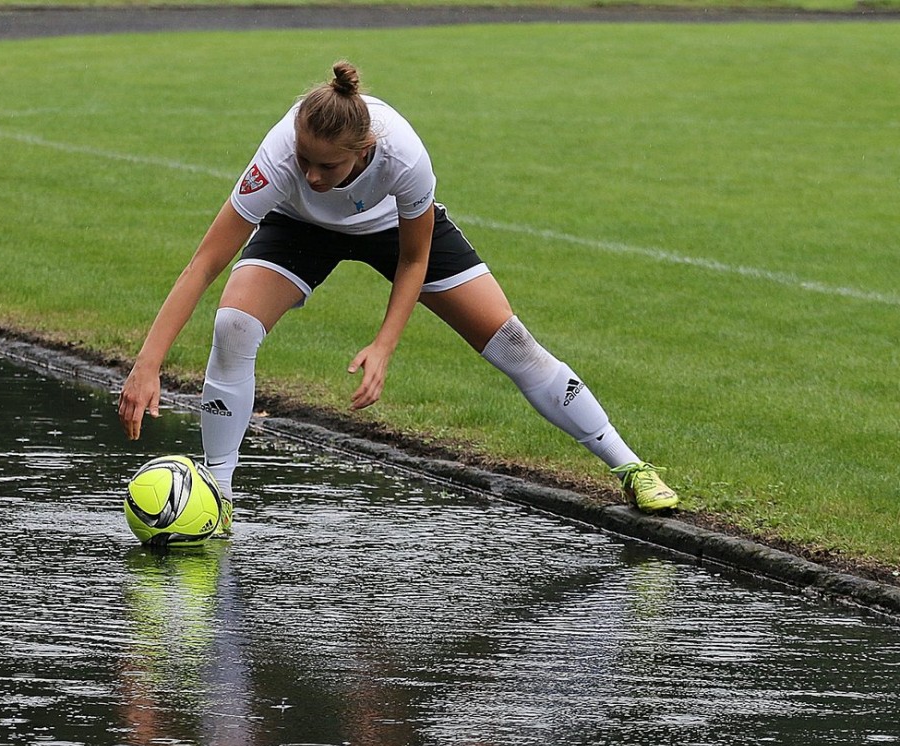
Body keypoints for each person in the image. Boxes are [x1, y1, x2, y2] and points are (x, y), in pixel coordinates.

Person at [118, 61, 678, 532]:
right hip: (300, 227)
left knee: (512, 342)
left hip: (393, 230)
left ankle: (630, 467)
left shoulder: (403, 156)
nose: (311, 174)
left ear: (363, 150)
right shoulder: (280, 157)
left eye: (327, 165)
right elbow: (205, 262)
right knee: (233, 326)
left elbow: (413, 259)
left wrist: (384, 344)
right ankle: (218, 496)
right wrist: (148, 363)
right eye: (304, 160)